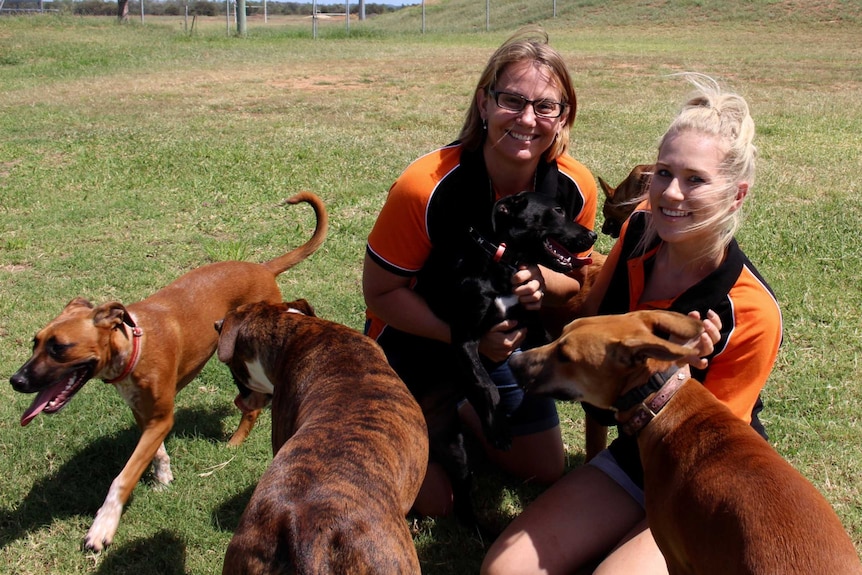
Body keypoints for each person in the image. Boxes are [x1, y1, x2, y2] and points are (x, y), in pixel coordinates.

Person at [481, 73, 783, 574]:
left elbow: (718, 453)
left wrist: (678, 378)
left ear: (736, 194)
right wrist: (532, 287)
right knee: (504, 570)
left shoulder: (749, 310)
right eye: (664, 172)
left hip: (699, 478)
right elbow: (589, 319)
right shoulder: (640, 228)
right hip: (634, 455)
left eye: (695, 179)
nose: (670, 193)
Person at [362, 26, 599, 517]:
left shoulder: (574, 186)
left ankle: (470, 408)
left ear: (563, 117)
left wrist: (540, 279)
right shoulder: (424, 185)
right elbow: (380, 293)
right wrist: (463, 338)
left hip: (501, 341)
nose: (528, 119)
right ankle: (422, 413)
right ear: (484, 103)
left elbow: (574, 279)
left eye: (546, 106)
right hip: (418, 346)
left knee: (544, 470)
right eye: (512, 100)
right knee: (437, 504)